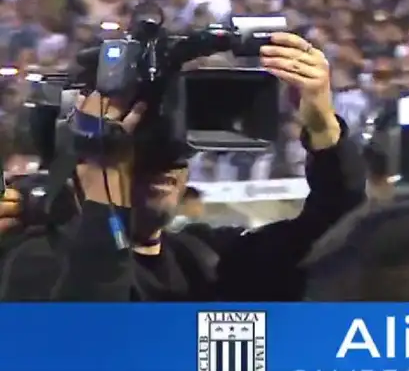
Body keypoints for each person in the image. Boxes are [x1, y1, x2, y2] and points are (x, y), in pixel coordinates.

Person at [0, 33, 368, 301]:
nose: (164, 156)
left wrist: (323, 127)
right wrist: (105, 184)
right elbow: (92, 342)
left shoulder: (208, 261)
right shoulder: (37, 261)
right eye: (133, 133)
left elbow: (338, 230)